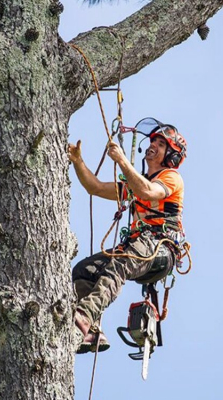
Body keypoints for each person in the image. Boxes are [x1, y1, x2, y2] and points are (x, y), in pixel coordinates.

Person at [68, 119, 187, 354]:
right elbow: (95, 188)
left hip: (160, 249)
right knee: (84, 271)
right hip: (140, 247)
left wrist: (122, 160)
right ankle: (92, 332)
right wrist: (78, 161)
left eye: (161, 144)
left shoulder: (171, 177)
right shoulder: (134, 183)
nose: (153, 145)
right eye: (153, 141)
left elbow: (148, 191)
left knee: (121, 264)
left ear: (171, 156)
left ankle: (84, 315)